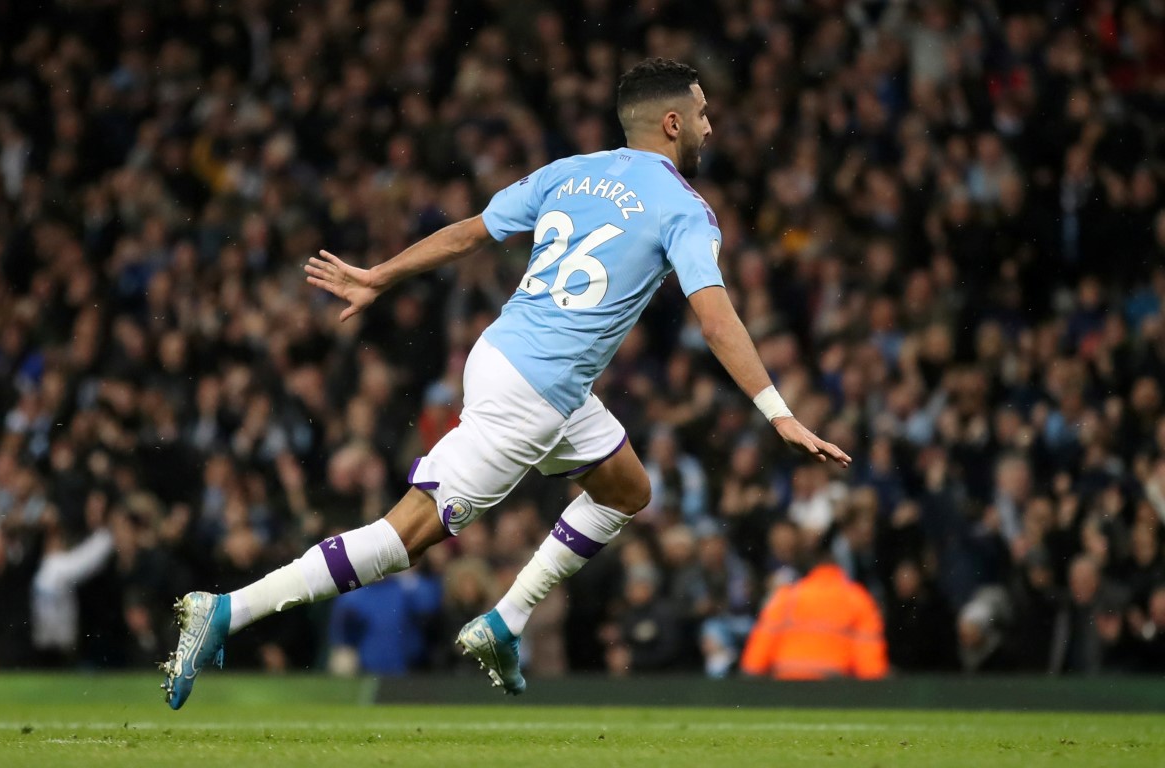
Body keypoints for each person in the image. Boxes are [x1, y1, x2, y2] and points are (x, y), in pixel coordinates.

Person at [161, 58, 850, 709]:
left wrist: (381, 274)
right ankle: (228, 609)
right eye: (702, 114)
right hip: (536, 392)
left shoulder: (568, 173)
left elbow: (468, 234)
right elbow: (717, 319)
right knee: (407, 535)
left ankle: (505, 621)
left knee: (627, 489)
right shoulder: (685, 209)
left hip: (507, 356)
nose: (709, 126)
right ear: (671, 123)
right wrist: (777, 412)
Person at [739, 526, 886, 680]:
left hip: (788, 684)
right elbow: (870, 663)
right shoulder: (858, 599)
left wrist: (750, 678)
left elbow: (758, 653)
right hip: (834, 688)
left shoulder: (788, 596)